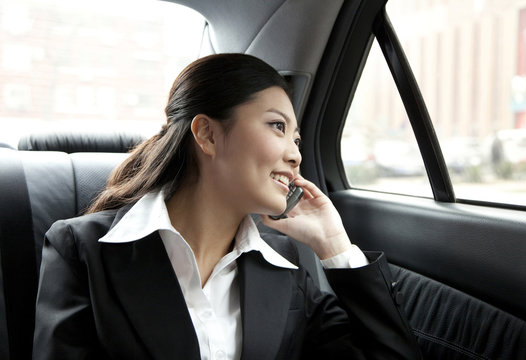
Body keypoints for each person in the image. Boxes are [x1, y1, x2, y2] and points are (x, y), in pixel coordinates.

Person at [33, 53, 422, 360]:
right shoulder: (82, 250)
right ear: (207, 134)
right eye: (277, 126)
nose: (295, 156)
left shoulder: (285, 269)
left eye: (298, 140)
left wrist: (334, 246)